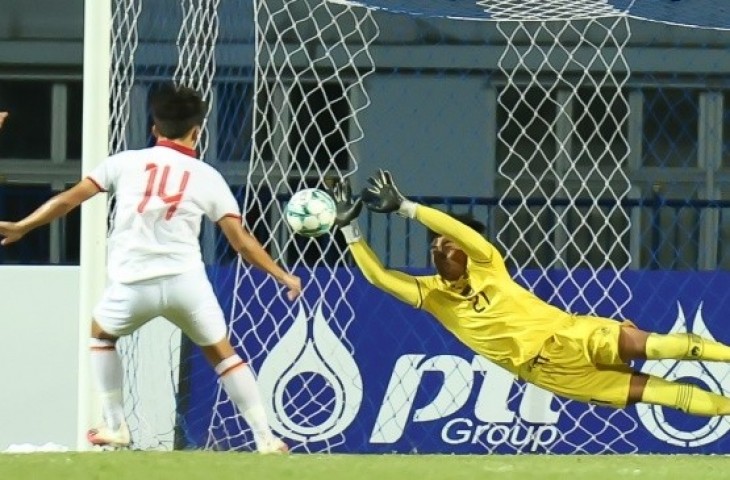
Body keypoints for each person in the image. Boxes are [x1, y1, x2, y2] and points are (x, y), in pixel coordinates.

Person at [0, 84, 300, 453]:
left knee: (101, 336)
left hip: (132, 285)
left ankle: (115, 426)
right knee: (224, 354)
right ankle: (265, 438)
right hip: (187, 284)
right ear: (197, 131)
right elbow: (242, 242)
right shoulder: (207, 176)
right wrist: (282, 274)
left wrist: (22, 226)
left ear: (154, 129)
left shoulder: (122, 163)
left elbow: (68, 199)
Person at [330, 169, 730, 417]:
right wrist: (350, 231)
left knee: (660, 347)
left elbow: (460, 233)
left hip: (574, 333)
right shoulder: (432, 295)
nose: (439, 247)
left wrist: (406, 208)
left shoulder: (487, 262)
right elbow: (378, 277)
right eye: (434, 245)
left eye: (447, 243)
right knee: (669, 395)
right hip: (551, 372)